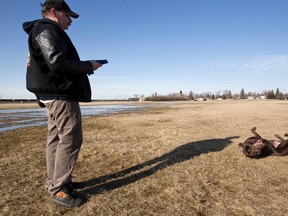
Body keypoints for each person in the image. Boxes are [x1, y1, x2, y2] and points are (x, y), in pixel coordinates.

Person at [22, 0, 103, 207]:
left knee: (56, 139)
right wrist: (89, 66)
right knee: (70, 138)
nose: (70, 21)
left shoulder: (40, 31)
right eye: (67, 16)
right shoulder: (47, 30)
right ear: (54, 12)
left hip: (52, 94)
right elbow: (57, 62)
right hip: (60, 95)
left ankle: (55, 182)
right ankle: (59, 189)